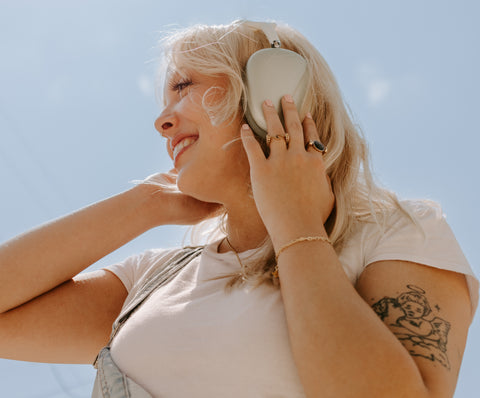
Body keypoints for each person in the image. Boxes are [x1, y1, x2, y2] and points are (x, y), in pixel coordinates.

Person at [0, 19, 477, 398]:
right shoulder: (154, 280)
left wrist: (294, 225)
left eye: (184, 86)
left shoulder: (398, 232)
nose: (162, 121)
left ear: (272, 90)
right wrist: (145, 204)